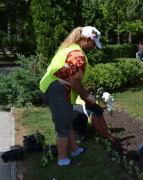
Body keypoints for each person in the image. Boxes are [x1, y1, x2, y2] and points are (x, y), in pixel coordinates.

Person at [39, 26, 104, 166]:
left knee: (66, 120)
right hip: (57, 89)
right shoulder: (78, 56)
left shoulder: (69, 48)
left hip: (51, 87)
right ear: (87, 40)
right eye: (94, 44)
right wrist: (88, 97)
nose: (93, 47)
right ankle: (62, 159)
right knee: (63, 126)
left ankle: (75, 149)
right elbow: (75, 83)